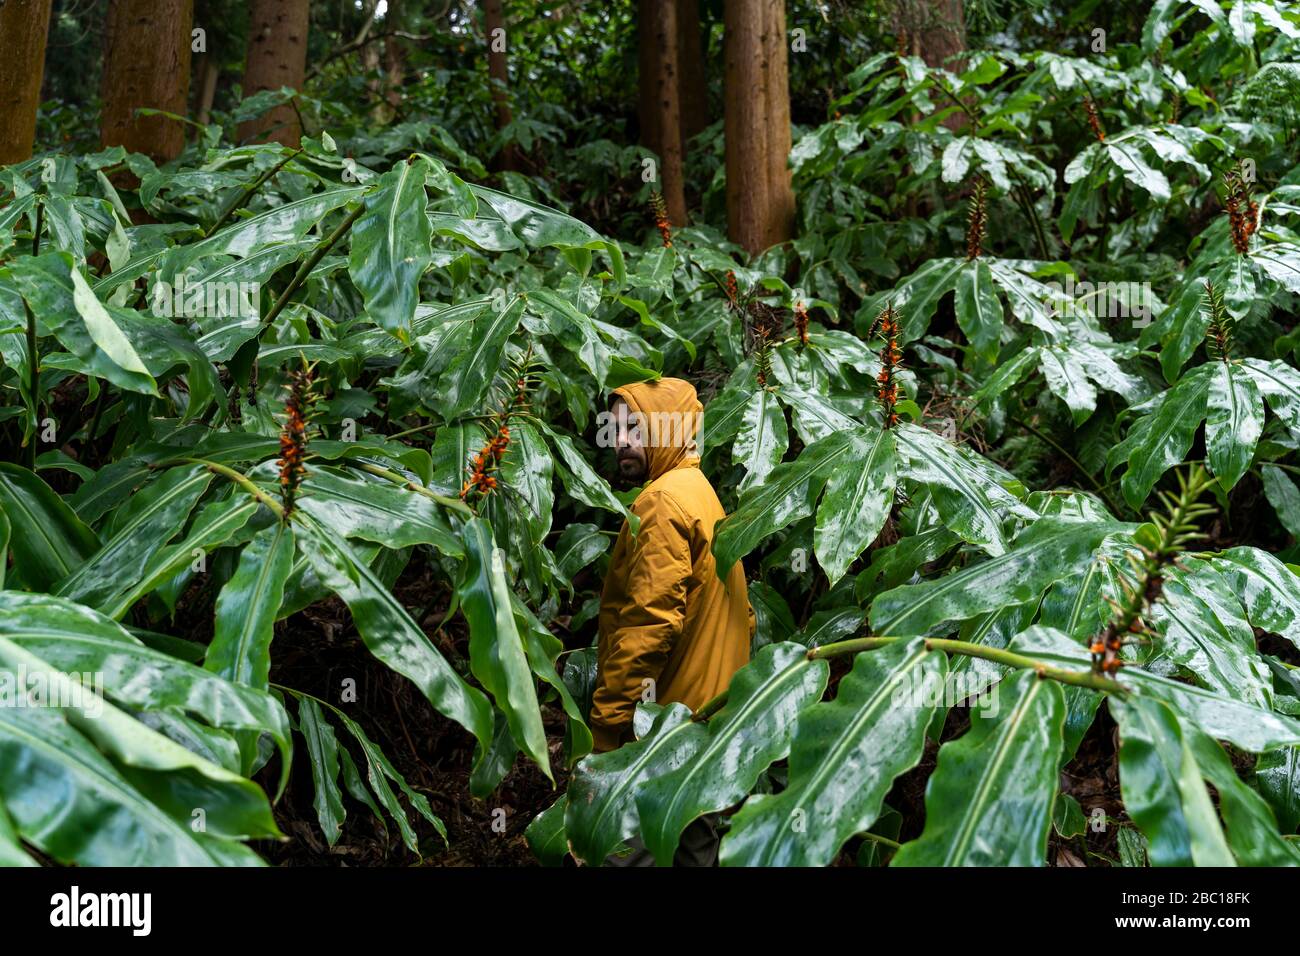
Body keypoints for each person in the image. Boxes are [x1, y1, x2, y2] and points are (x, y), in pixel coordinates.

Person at [589, 377, 755, 866]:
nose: (620, 441)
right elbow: (742, 618)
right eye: (615, 430)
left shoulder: (662, 503)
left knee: (625, 855)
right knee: (695, 855)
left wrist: (610, 725)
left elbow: (649, 627)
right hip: (715, 724)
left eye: (635, 429)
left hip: (665, 732)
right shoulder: (701, 493)